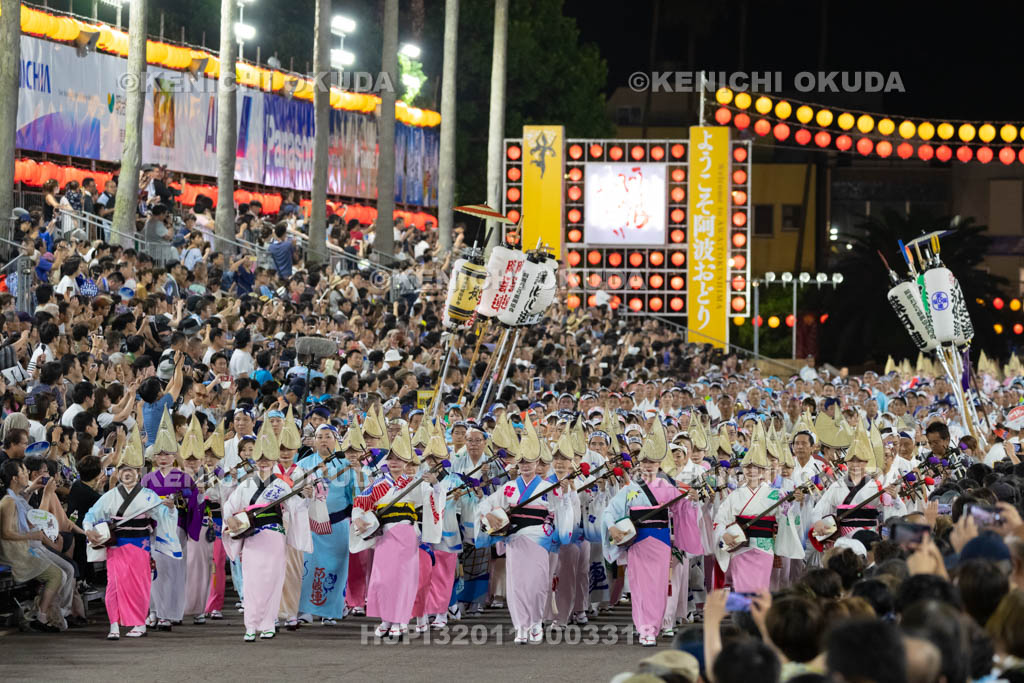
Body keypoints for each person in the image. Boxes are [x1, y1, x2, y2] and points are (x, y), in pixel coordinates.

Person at [475, 419, 575, 644]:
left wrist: (565, 496)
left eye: (529, 461)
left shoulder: (547, 487)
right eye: (521, 461)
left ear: (537, 462)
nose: (525, 465)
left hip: (539, 539)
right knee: (516, 585)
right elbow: (486, 504)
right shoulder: (509, 487)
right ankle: (521, 626)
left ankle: (536, 623)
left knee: (537, 584)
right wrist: (487, 515)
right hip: (514, 540)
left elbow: (560, 510)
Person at [604, 419, 703, 646]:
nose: (648, 466)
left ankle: (654, 627)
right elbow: (610, 511)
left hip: (660, 542)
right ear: (639, 464)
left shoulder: (668, 487)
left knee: (658, 587)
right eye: (644, 461)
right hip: (637, 542)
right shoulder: (630, 489)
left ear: (659, 463)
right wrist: (612, 528)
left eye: (652, 462)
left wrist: (693, 501)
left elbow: (682, 510)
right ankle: (644, 629)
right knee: (639, 586)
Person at [83, 426, 180, 639]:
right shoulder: (109, 496)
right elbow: (91, 515)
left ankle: (139, 623)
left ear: (139, 472)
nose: (127, 473)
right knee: (114, 585)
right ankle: (114, 625)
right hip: (116, 546)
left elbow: (164, 517)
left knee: (138, 585)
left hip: (140, 545)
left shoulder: (149, 496)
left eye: (132, 469)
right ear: (118, 472)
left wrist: (171, 509)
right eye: (123, 469)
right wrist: (89, 530)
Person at [352, 423, 446, 639]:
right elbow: (360, 503)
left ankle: (400, 621)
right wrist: (358, 518)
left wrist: (435, 484)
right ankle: (387, 619)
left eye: (399, 459)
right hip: (385, 535)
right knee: (383, 579)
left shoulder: (414, 483)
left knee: (404, 579)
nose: (394, 462)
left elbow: (433, 498)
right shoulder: (377, 485)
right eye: (391, 458)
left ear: (406, 462)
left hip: (406, 535)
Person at [223, 421, 312, 641]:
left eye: (267, 458)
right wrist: (230, 520)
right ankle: (251, 626)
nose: (263, 462)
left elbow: (296, 507)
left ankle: (268, 623)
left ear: (273, 460)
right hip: (253, 538)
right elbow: (229, 507)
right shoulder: (245, 485)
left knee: (273, 581)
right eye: (260, 458)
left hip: (274, 537)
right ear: (254, 460)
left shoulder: (282, 485)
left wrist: (306, 496)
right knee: (252, 582)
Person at [141, 408, 200, 630]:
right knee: (155, 570)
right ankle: (155, 611)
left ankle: (172, 612)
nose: (163, 458)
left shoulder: (184, 478)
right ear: (154, 457)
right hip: (155, 528)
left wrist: (179, 502)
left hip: (176, 528)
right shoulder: (147, 479)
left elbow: (193, 501)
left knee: (175, 570)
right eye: (160, 454)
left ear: (174, 455)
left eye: (167, 454)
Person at [296, 422, 356, 625]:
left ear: (336, 440)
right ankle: (304, 611)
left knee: (335, 568)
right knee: (307, 568)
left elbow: (353, 495)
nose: (323, 440)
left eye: (328, 437)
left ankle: (330, 611)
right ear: (313, 441)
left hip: (337, 524)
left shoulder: (346, 465)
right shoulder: (304, 464)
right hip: (310, 524)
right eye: (319, 437)